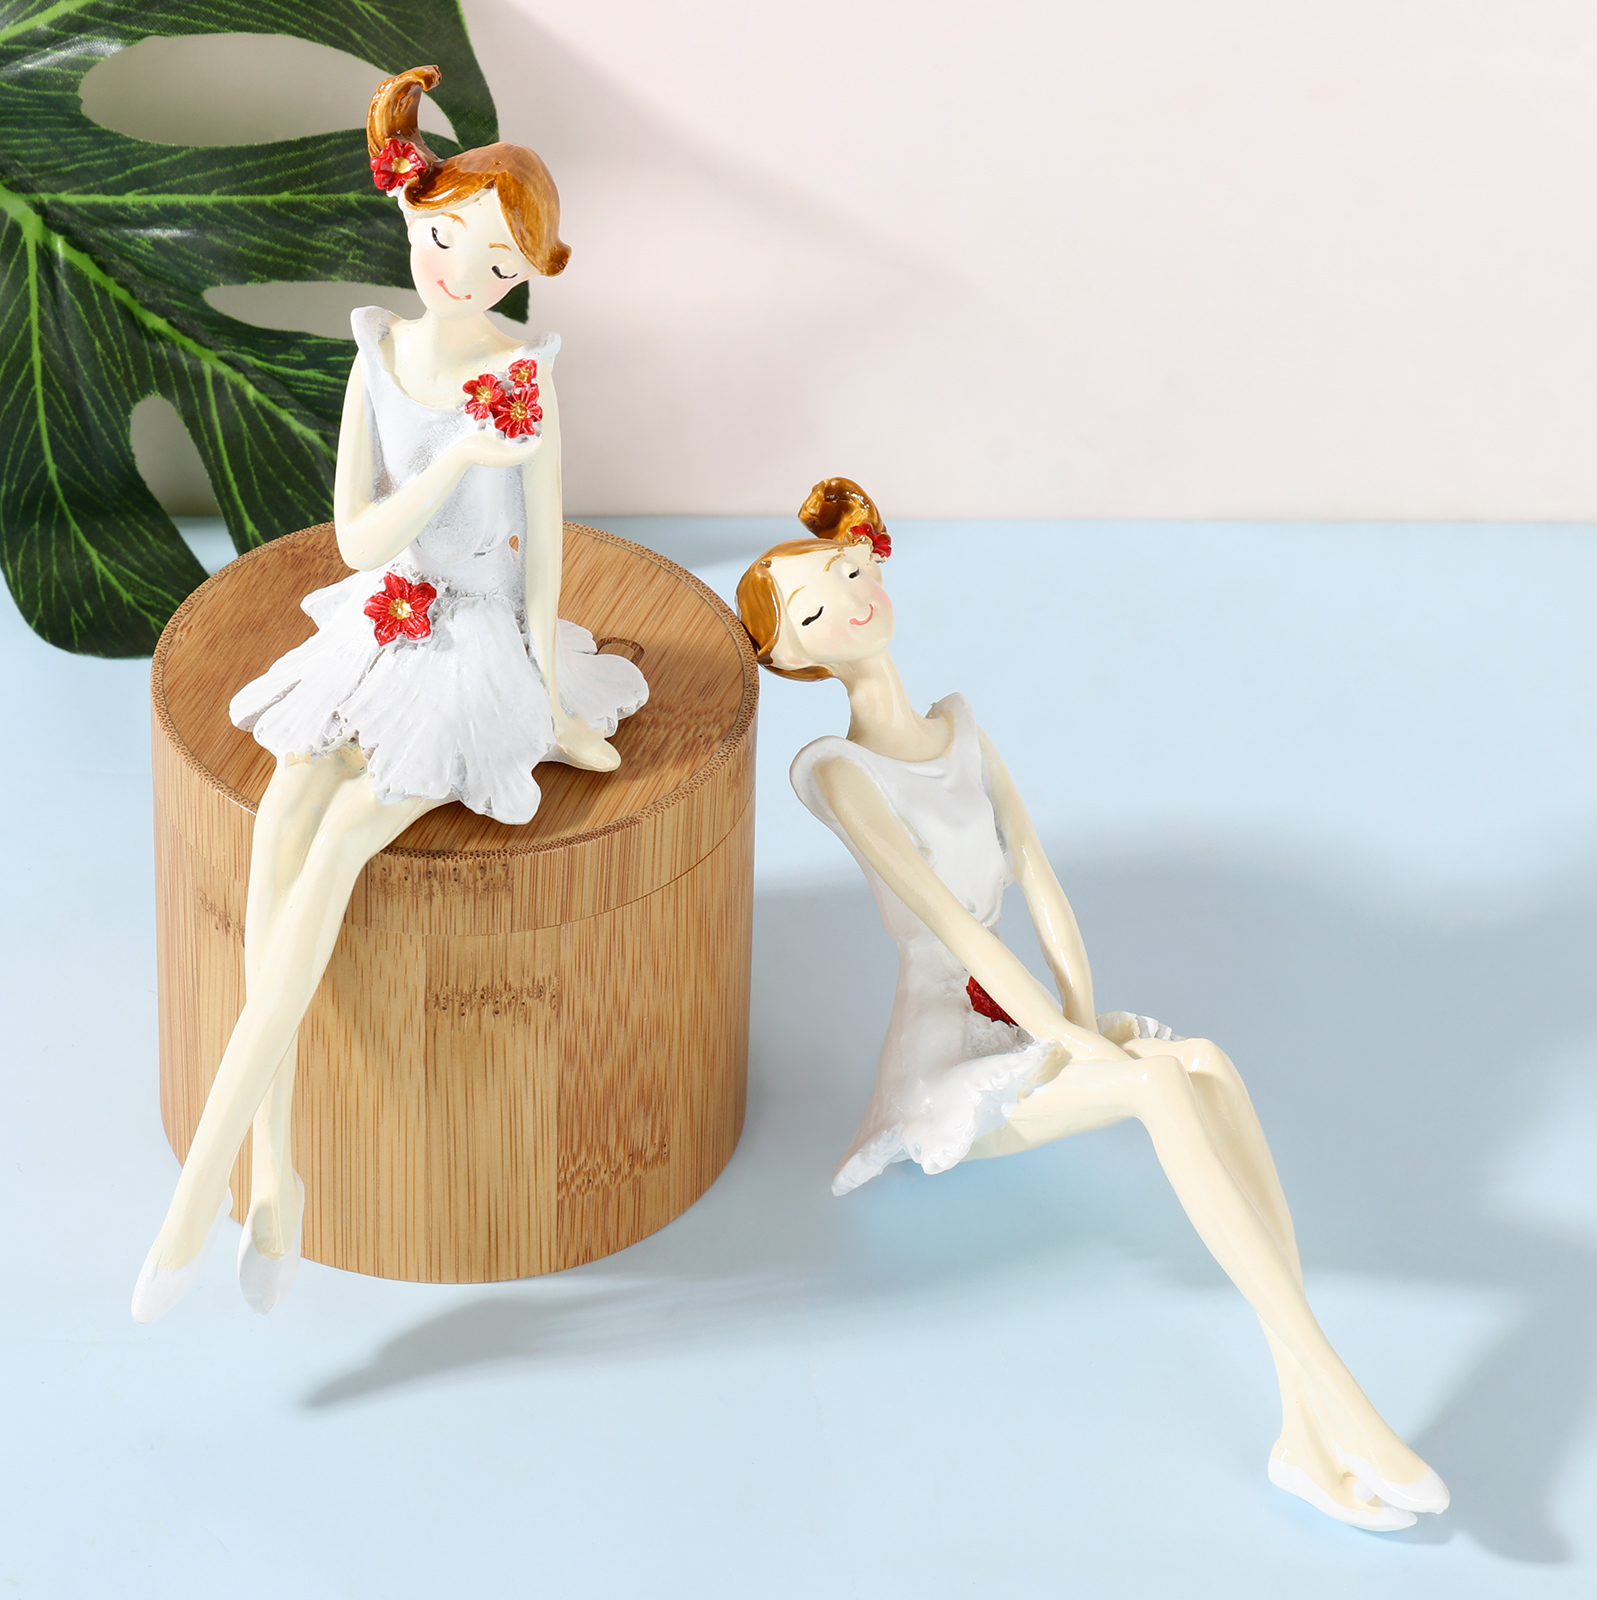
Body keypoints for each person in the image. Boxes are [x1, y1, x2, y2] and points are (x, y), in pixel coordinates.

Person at [734, 478, 1448, 1532]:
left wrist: (1080, 1014)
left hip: (1021, 1020)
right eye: (812, 609)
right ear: (794, 656)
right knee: (1158, 1090)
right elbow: (958, 929)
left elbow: (1037, 879)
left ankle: (1307, 1427)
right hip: (943, 1059)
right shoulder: (838, 771)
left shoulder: (960, 727)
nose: (848, 599)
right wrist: (1070, 1042)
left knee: (1203, 1061)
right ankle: (1339, 1399)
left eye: (847, 571)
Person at [132, 66, 646, 1323]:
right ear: (413, 220)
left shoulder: (523, 375)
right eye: (445, 238)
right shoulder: (381, 358)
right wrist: (453, 459)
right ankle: (277, 1173)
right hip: (387, 610)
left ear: (523, 276)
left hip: (478, 644)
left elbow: (543, 549)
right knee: (280, 812)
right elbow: (359, 541)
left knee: (342, 842)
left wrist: (547, 689)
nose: (459, 272)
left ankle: (200, 1194)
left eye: (494, 260)